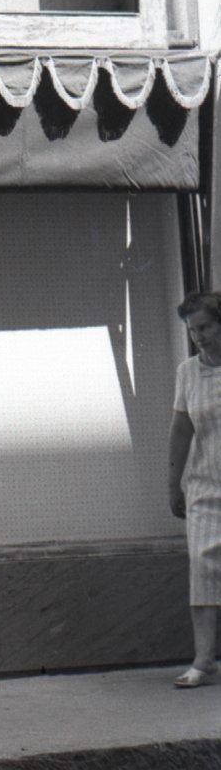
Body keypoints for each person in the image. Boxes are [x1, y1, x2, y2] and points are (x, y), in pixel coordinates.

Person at [168, 289, 221, 688]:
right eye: (192, 330)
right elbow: (181, 429)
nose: (198, 336)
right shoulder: (187, 372)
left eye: (204, 327)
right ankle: (204, 661)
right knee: (202, 566)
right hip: (205, 486)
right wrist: (173, 483)